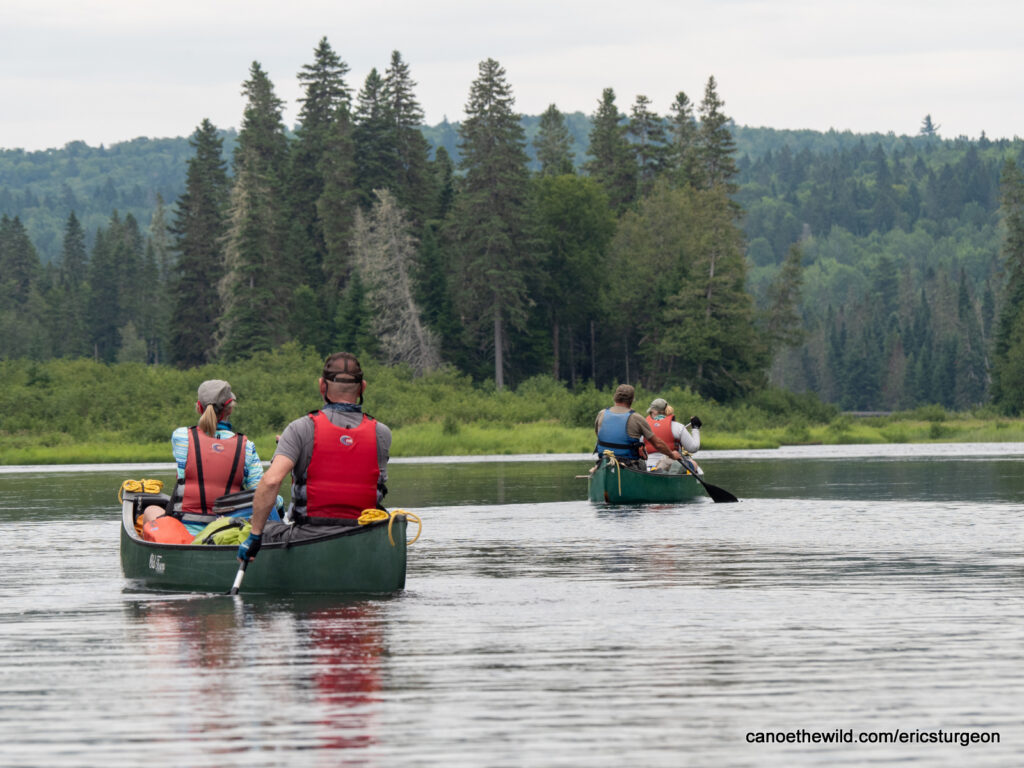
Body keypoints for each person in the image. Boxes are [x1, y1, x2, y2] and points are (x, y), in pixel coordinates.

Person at [237, 352, 392, 564]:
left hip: (309, 537)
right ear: (362, 387)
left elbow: (271, 481)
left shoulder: (300, 428)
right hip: (363, 537)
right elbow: (348, 458)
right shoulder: (382, 433)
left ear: (322, 386)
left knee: (260, 529)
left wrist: (255, 535)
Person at [141, 379, 270, 534]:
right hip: (227, 530)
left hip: (185, 529)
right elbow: (258, 491)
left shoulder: (181, 437)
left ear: (199, 407)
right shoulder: (247, 446)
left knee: (150, 510)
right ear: (230, 410)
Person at [594, 384, 680, 471]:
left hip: (604, 462)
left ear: (614, 398)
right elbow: (657, 444)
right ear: (632, 400)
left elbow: (599, 435)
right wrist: (672, 455)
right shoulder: (637, 418)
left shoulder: (601, 414)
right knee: (642, 463)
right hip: (628, 466)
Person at [644, 398, 702, 473]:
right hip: (670, 465)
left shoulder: (643, 427)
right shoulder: (678, 427)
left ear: (654, 411)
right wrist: (695, 428)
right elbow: (693, 448)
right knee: (693, 464)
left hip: (648, 466)